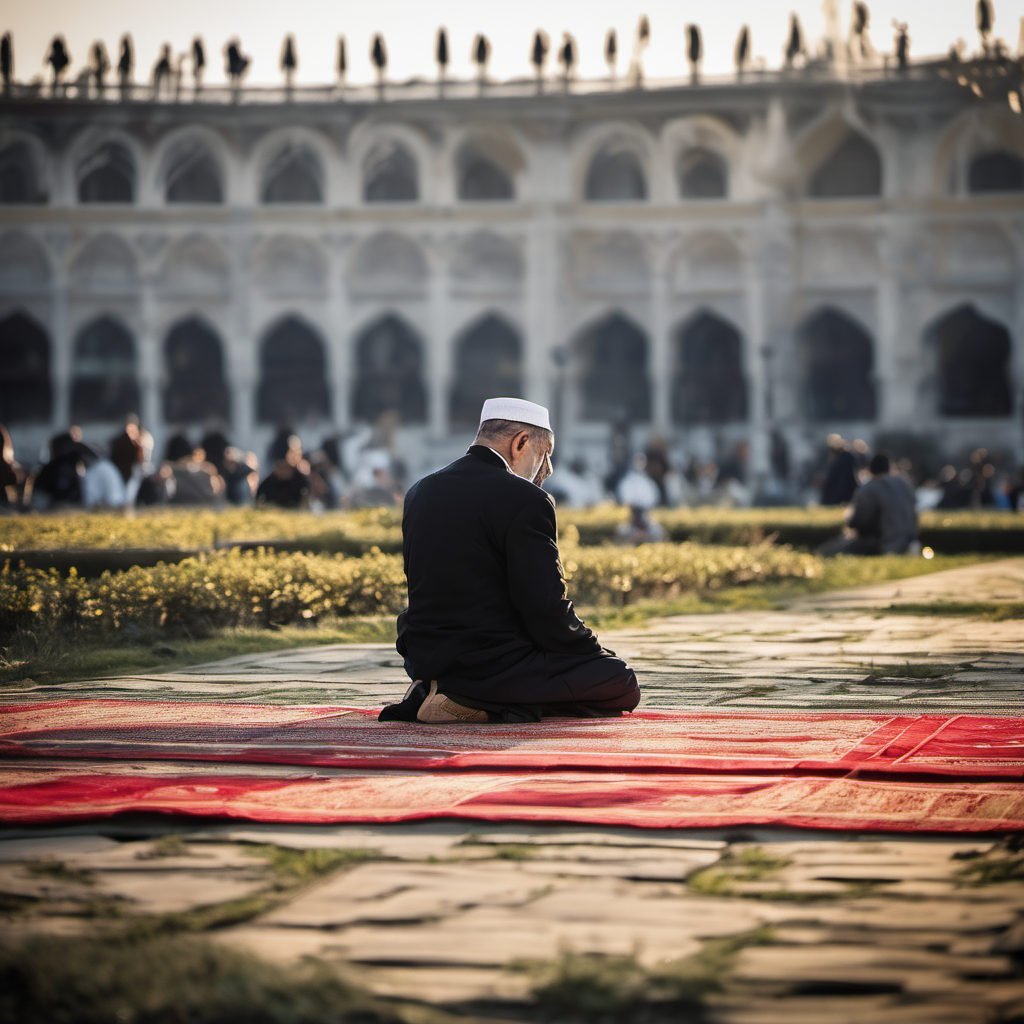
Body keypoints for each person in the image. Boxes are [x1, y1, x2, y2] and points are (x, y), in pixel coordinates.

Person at [381, 397, 640, 725]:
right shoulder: (526, 499)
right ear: (521, 443)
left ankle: (439, 690)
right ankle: (479, 701)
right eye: (544, 456)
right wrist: (594, 652)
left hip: (425, 658)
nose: (544, 470)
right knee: (620, 682)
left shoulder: (420, 490)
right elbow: (545, 608)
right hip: (492, 662)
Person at [820, 453, 917, 556]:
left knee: (827, 551)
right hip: (909, 543)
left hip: (883, 545)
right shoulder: (904, 483)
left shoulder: (870, 487)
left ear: (870, 469)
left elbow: (858, 521)